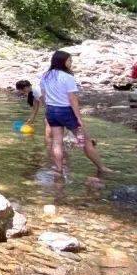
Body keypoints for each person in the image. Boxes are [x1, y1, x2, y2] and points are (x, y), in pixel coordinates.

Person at [40, 50, 109, 179]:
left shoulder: (45, 76)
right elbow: (72, 99)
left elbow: (44, 95)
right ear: (63, 61)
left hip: (51, 111)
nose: (71, 63)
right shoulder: (67, 77)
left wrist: (48, 109)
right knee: (86, 141)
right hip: (66, 111)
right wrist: (79, 117)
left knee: (57, 142)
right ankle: (101, 168)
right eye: (70, 60)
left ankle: (59, 170)